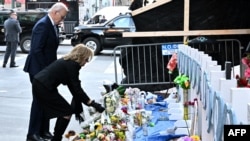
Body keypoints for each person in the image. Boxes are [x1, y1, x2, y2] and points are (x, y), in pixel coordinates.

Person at [32, 44, 105, 141]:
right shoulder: (72, 65)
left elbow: (74, 87)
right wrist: (92, 103)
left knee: (63, 111)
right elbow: (76, 88)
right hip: (43, 86)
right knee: (66, 112)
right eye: (86, 60)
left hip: (41, 84)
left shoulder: (69, 62)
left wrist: (89, 102)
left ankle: (55, 137)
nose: (86, 63)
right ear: (81, 56)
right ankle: (56, 138)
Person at [23, 2, 69, 141]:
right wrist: (45, 73)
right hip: (39, 70)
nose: (62, 20)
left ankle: (43, 130)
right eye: (62, 17)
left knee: (45, 101)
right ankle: (33, 133)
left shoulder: (52, 25)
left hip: (46, 70)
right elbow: (37, 51)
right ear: (55, 12)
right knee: (39, 101)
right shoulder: (43, 24)